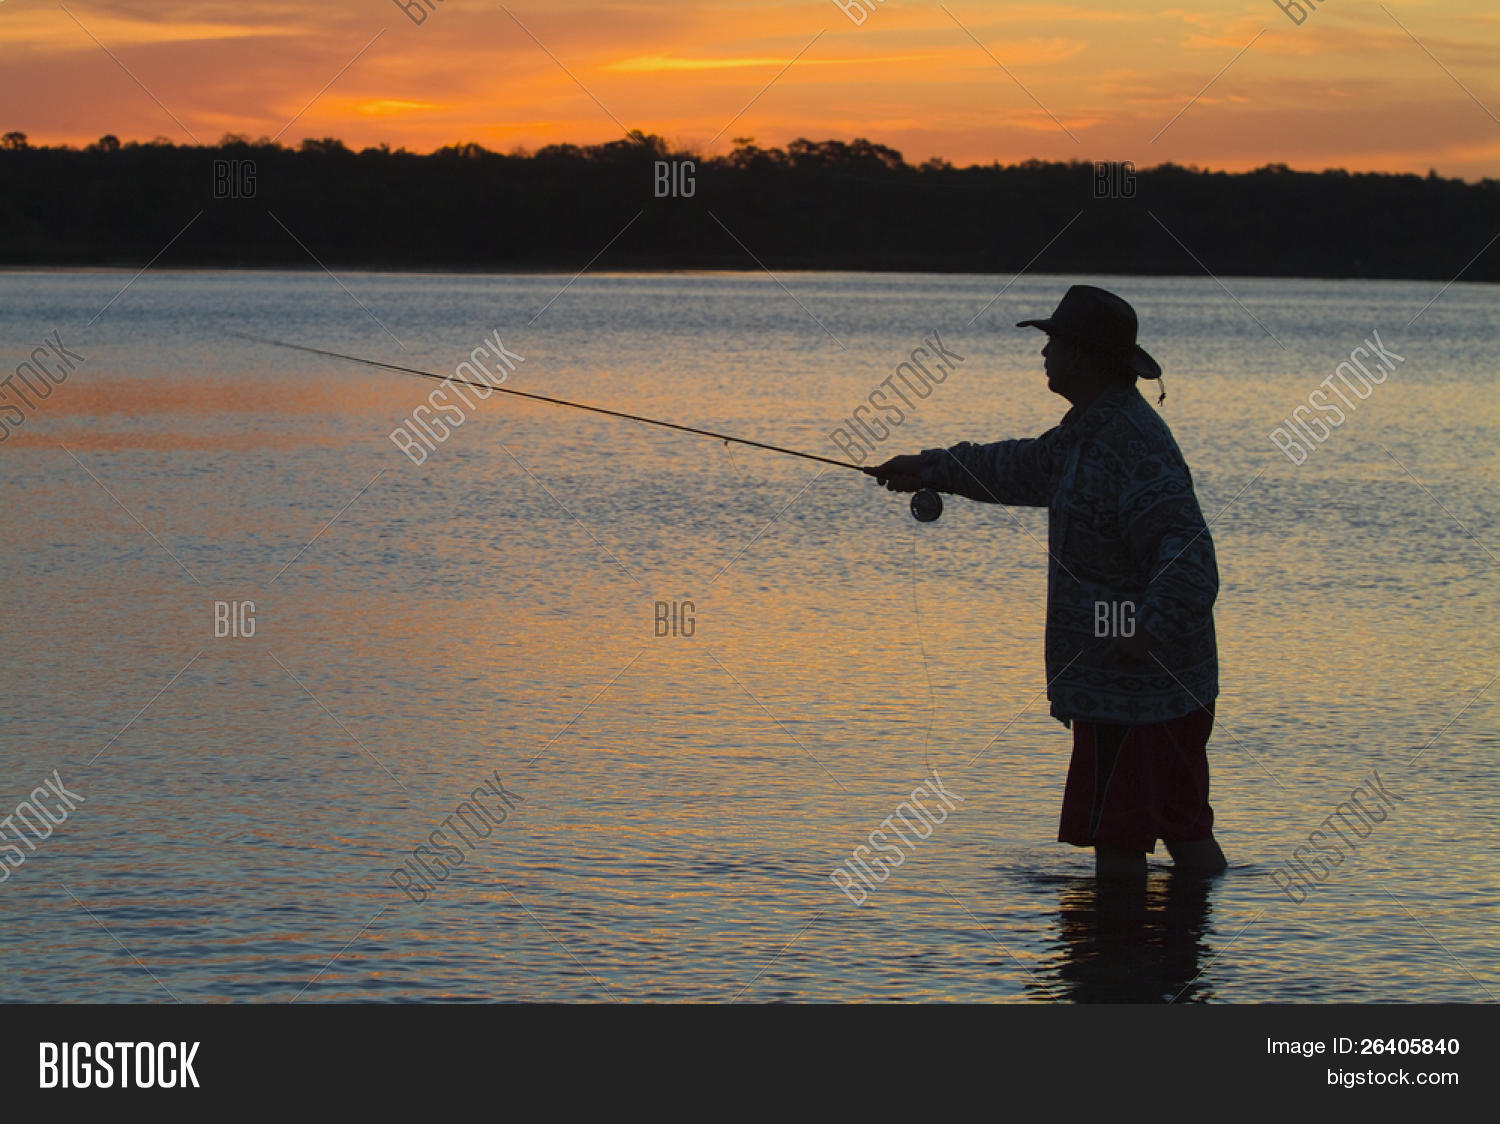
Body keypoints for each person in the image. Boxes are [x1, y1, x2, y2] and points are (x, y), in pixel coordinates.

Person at [868, 285, 1227, 877]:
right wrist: (929, 468)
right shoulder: (1089, 432)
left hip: (1137, 693)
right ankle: (1199, 935)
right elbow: (1017, 467)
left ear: (1081, 354)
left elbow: (1190, 555)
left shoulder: (1132, 443)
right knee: (1183, 831)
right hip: (1154, 688)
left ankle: (1118, 940)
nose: (1043, 353)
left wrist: (1145, 632)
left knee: (1121, 842)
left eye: (1052, 341)